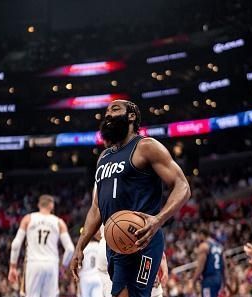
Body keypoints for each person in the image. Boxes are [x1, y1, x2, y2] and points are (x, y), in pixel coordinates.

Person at [70, 100, 191, 297]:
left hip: (140, 239)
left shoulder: (146, 146)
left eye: (115, 109)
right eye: (107, 111)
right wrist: (80, 246)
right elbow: (96, 208)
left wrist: (158, 220)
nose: (108, 114)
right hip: (115, 242)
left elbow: (182, 186)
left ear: (132, 116)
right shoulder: (104, 158)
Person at [8, 194, 75, 297]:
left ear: (39, 205)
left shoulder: (28, 219)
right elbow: (70, 249)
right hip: (51, 264)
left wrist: (13, 267)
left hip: (33, 263)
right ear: (51, 206)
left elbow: (16, 244)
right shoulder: (59, 222)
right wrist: (63, 266)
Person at [187, 229, 226, 297]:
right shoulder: (219, 246)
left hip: (209, 279)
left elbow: (200, 267)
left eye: (198, 236)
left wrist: (193, 281)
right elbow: (224, 266)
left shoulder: (204, 246)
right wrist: (225, 282)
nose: (198, 239)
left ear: (202, 235)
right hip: (218, 278)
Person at [79, 230, 103, 297]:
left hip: (85, 278)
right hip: (97, 276)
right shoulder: (99, 246)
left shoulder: (81, 248)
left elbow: (78, 265)